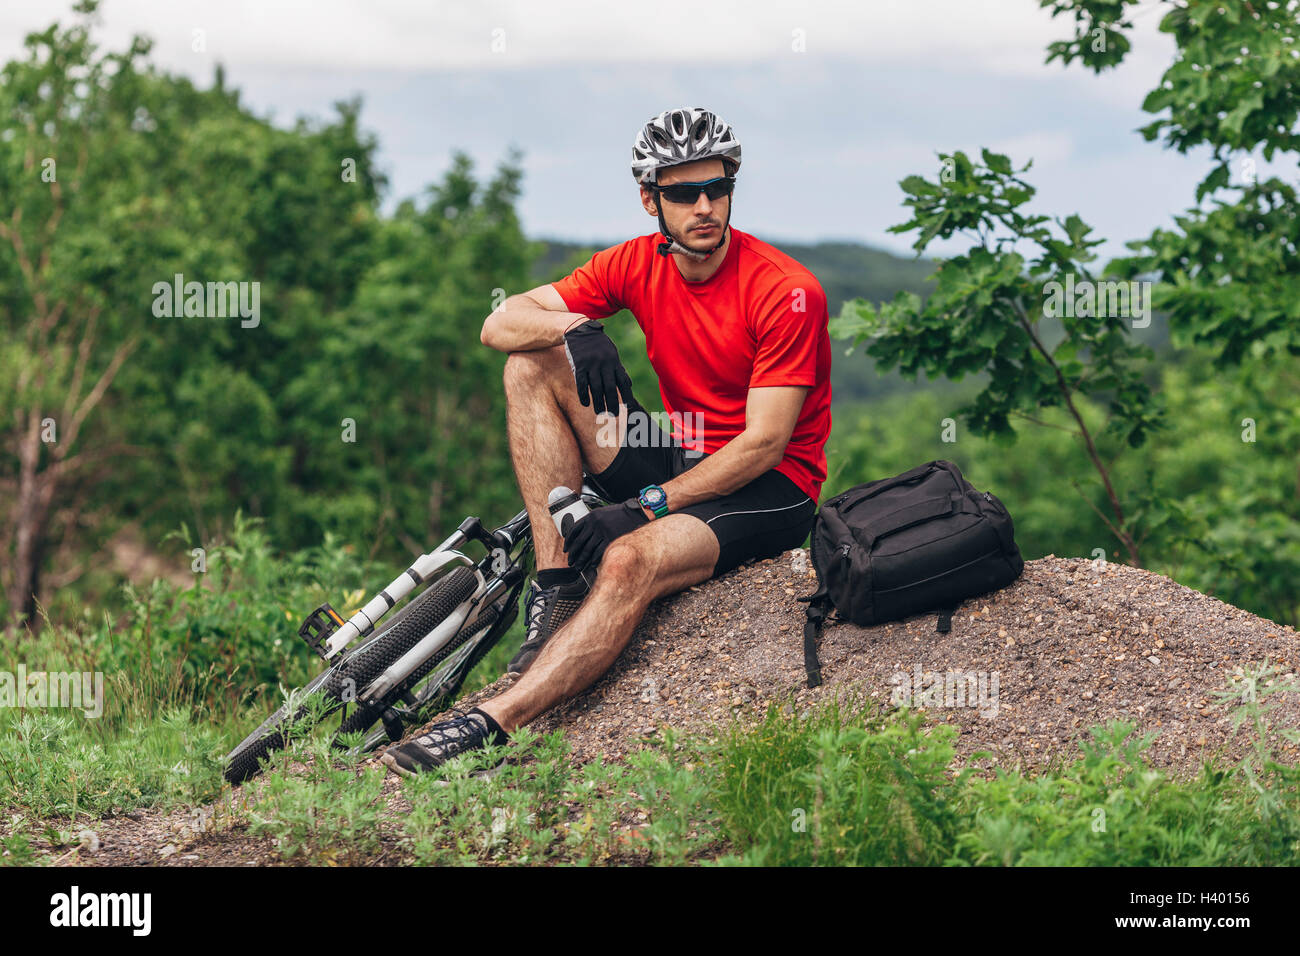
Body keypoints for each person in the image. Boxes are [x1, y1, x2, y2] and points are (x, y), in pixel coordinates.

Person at [381, 107, 832, 776]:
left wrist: (645, 506)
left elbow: (765, 445)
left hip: (769, 488)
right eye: (683, 193)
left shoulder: (787, 292)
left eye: (717, 188)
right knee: (529, 363)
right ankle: (557, 583)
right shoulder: (635, 264)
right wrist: (572, 328)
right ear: (650, 199)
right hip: (680, 447)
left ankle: (490, 725)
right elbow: (500, 322)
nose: (704, 206)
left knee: (627, 560)